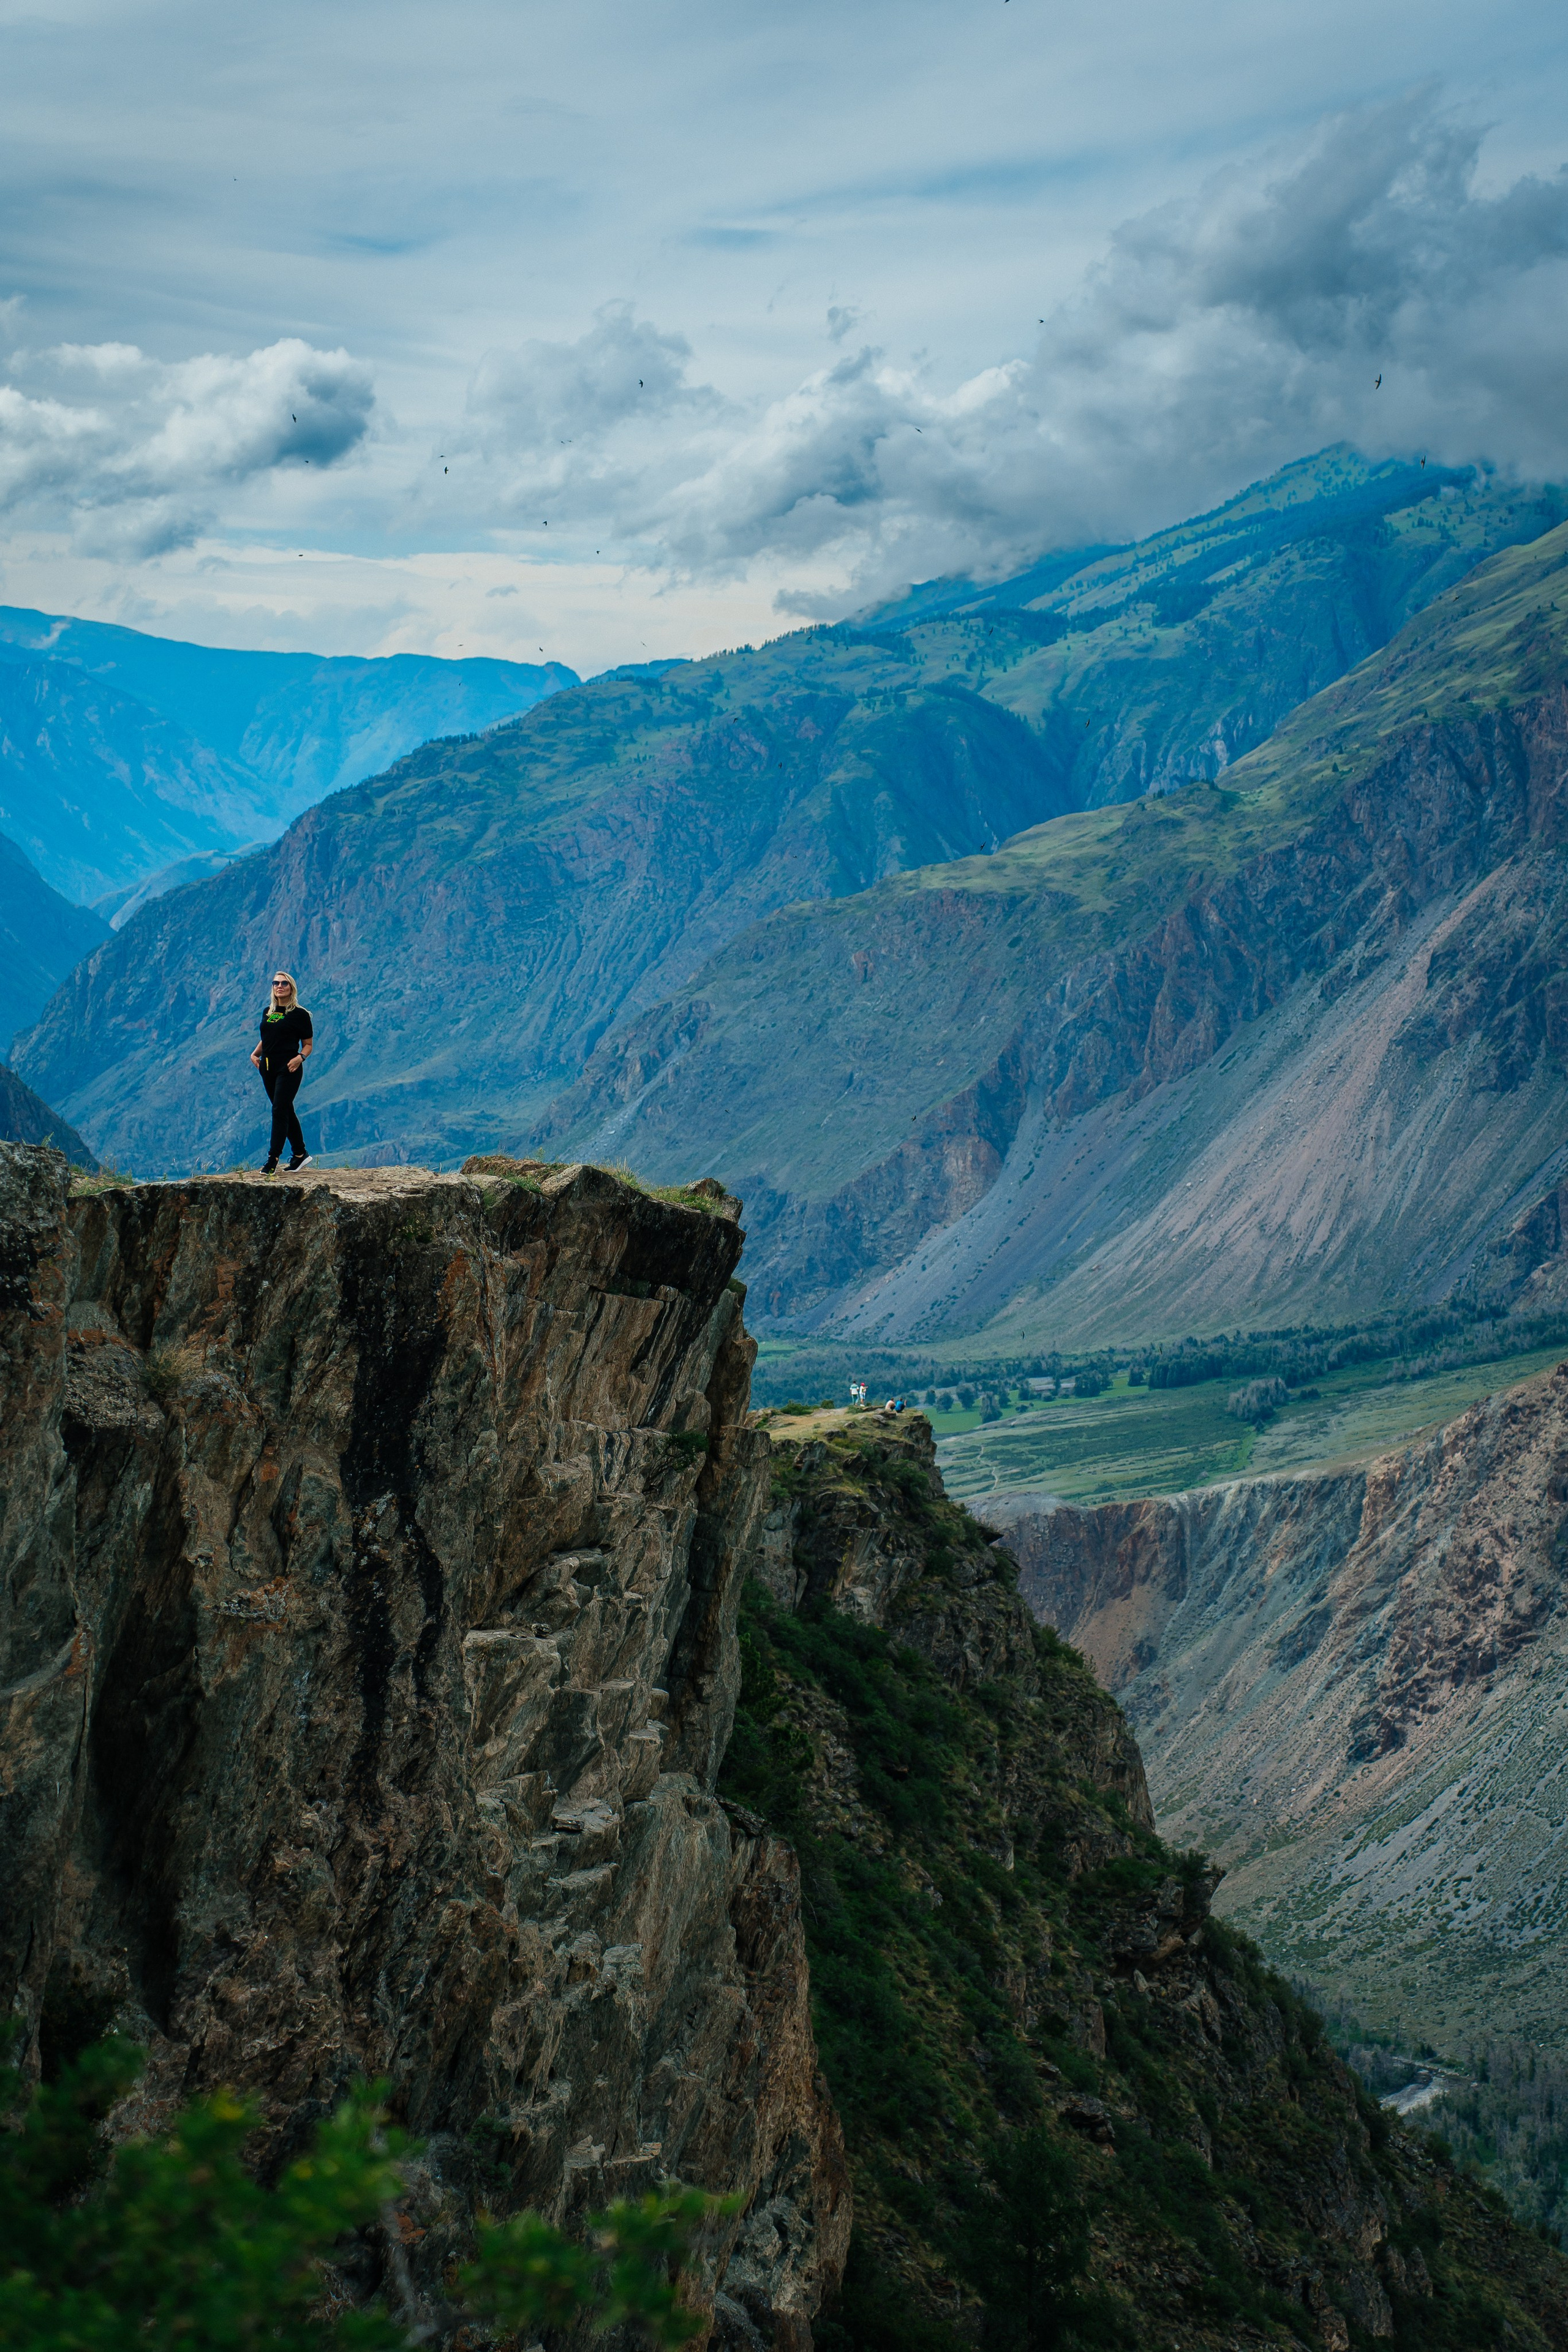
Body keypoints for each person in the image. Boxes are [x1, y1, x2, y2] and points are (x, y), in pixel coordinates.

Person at [251, 970, 314, 1173]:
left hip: (289, 1067)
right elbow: (268, 1036)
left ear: (291, 988)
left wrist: (300, 1058)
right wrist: (255, 1053)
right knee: (285, 1109)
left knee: (279, 1110)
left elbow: (308, 1044)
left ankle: (272, 1160)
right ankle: (299, 1154)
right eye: (276, 983)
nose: (279, 986)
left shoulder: (300, 1014)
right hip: (267, 1068)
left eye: (284, 984)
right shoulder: (268, 1012)